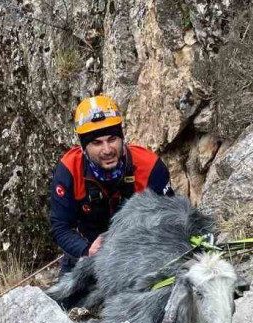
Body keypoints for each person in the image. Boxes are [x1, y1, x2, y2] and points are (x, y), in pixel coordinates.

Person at [49, 94, 175, 273]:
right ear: (84, 146)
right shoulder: (69, 171)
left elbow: (170, 218)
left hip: (140, 255)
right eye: (97, 143)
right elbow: (60, 227)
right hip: (88, 253)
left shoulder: (150, 167)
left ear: (122, 137)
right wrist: (87, 250)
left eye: (112, 139)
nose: (107, 150)